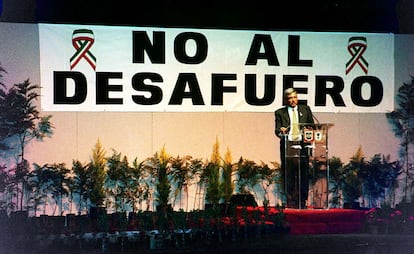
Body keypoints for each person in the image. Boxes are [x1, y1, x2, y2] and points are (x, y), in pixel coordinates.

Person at [274, 88, 314, 209]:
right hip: (289, 145)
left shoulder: (305, 110)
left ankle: (303, 201)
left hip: (303, 145)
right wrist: (281, 131)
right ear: (286, 100)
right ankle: (291, 201)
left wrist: (310, 131)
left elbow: (312, 126)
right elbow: (277, 131)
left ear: (297, 98)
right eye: (290, 98)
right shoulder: (280, 113)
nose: (293, 100)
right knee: (289, 175)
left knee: (303, 174)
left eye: (294, 97)